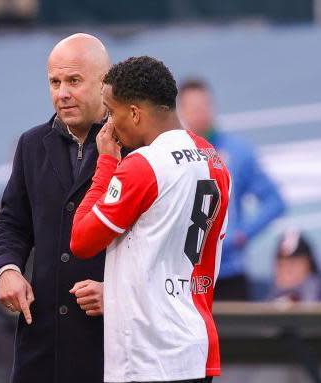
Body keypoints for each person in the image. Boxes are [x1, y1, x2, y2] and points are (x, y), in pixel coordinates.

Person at [71, 56, 230, 383]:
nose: (109, 125)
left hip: (149, 354)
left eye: (112, 112)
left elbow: (82, 239)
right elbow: (169, 251)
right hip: (195, 344)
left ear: (134, 113)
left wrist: (105, 165)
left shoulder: (143, 166)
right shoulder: (213, 159)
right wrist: (118, 292)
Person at [0, 33, 111, 383]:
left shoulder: (135, 150)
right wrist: (7, 269)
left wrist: (117, 294)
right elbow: (11, 223)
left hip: (109, 343)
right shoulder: (31, 144)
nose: (62, 93)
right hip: (42, 341)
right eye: (55, 82)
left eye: (74, 81)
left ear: (105, 82)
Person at [178, 78, 285, 300]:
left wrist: (242, 235)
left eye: (205, 106)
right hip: (185, 276)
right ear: (181, 111)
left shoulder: (238, 152)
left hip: (230, 273)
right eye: (193, 108)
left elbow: (275, 202)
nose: (200, 114)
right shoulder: (172, 154)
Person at [270, 229, 321, 302]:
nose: (286, 271)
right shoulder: (270, 300)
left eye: (293, 264)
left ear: (309, 265)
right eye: (281, 265)